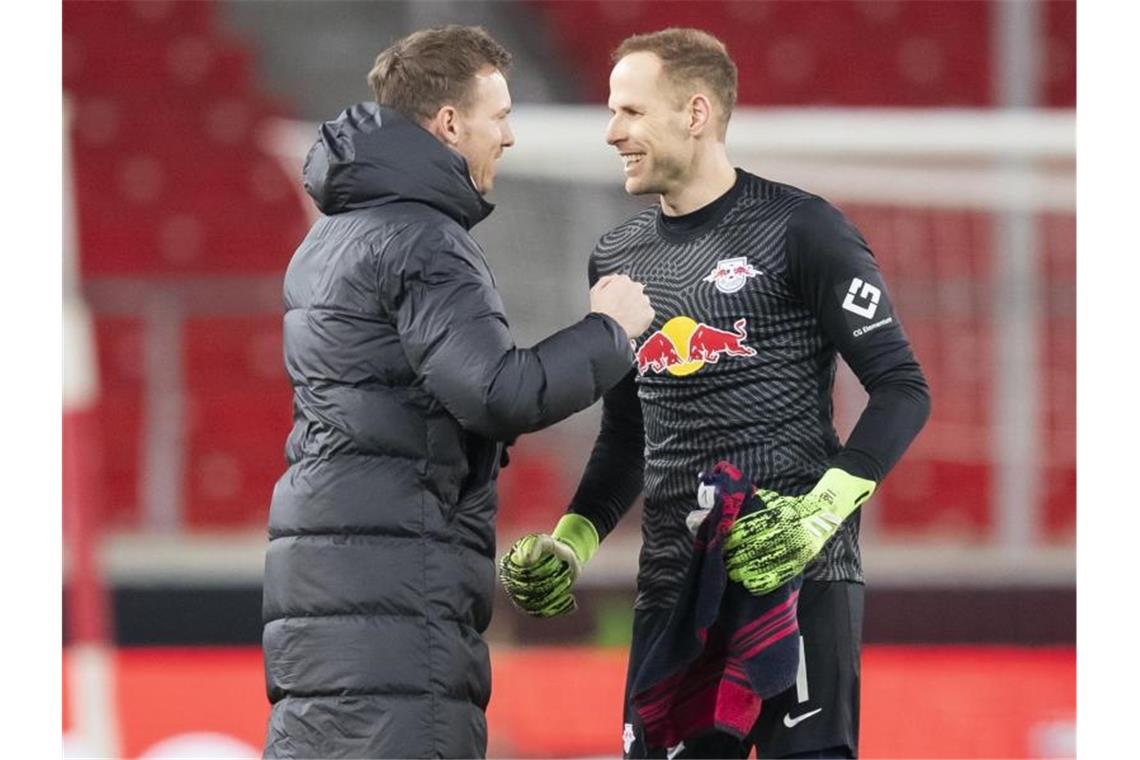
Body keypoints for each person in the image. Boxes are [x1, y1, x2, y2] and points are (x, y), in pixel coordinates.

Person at [499, 28, 930, 759]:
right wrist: (573, 541)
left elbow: (902, 389)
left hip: (800, 575)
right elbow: (629, 435)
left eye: (631, 112)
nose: (612, 132)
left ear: (695, 114)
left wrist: (818, 513)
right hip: (674, 586)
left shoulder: (803, 229)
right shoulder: (617, 256)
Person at [261, 25, 654, 760]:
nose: (508, 137)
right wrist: (610, 330)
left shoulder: (329, 238)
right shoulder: (423, 241)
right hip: (395, 604)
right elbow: (498, 393)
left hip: (326, 594)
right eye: (499, 116)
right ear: (450, 123)